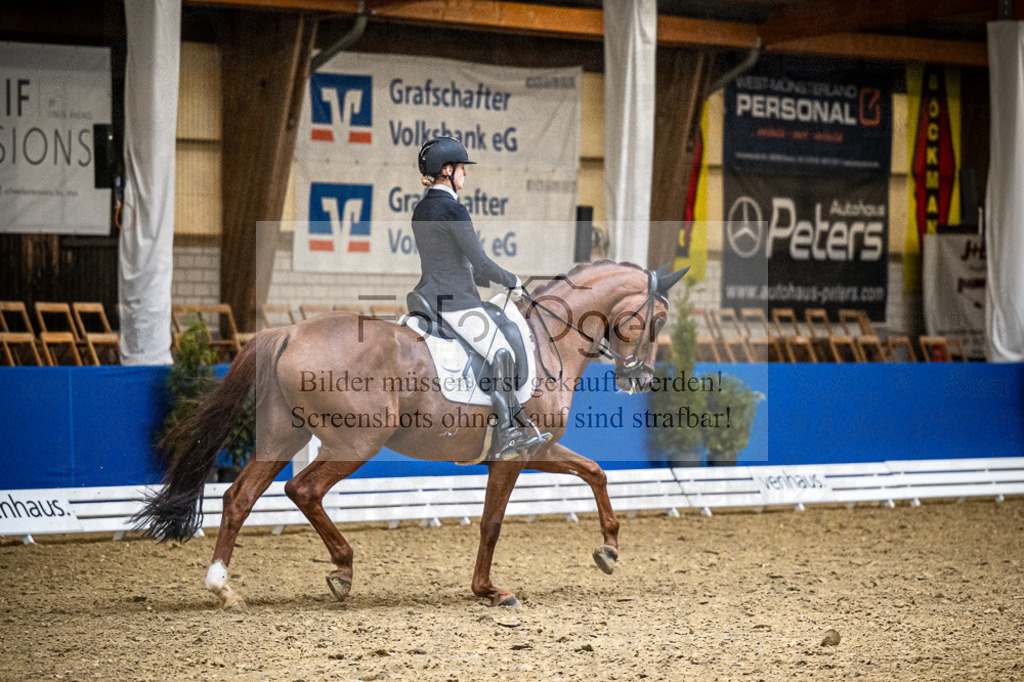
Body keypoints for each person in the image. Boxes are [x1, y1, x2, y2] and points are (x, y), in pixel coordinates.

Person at [411, 137, 549, 460]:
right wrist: (512, 280)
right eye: (461, 169)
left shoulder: (421, 209)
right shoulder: (453, 209)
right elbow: (481, 262)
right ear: (447, 170)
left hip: (428, 295)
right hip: (456, 302)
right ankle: (508, 432)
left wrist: (478, 277)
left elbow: (444, 260)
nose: (465, 174)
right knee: (501, 350)